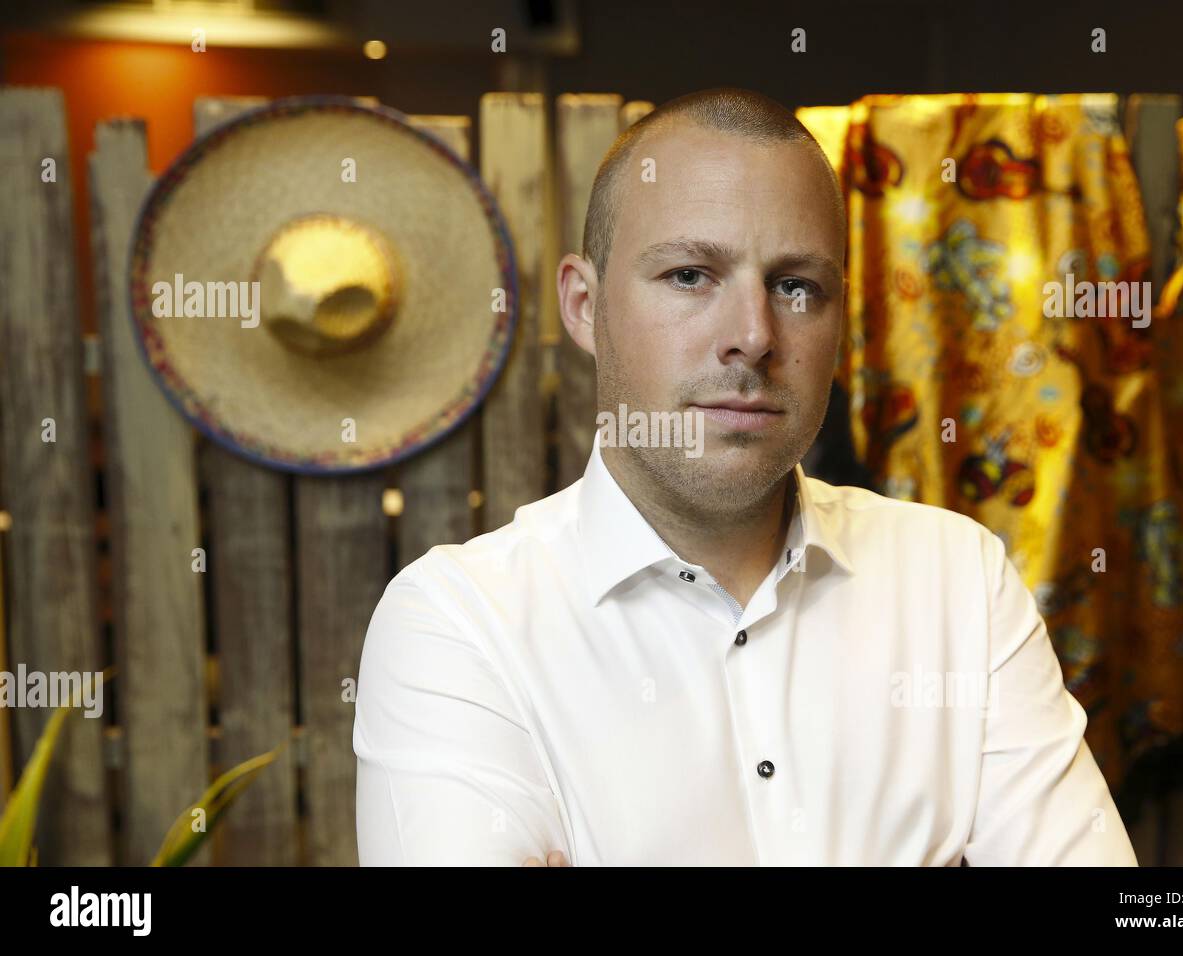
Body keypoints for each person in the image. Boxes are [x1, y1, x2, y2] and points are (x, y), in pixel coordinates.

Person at [353, 86, 1138, 866]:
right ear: (585, 305)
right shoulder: (458, 625)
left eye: (798, 286)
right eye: (692, 275)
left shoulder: (959, 580)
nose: (754, 337)